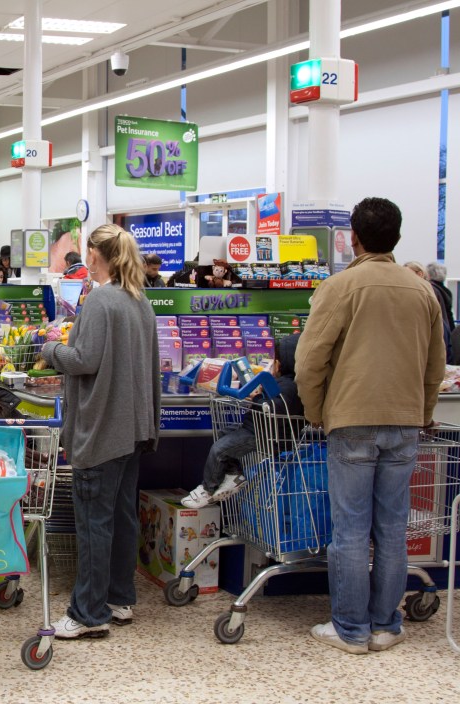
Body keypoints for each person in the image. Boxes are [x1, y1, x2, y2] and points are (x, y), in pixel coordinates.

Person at [295, 197, 445, 654]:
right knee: (393, 529)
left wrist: (316, 411)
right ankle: (386, 625)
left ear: (353, 238)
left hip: (352, 420)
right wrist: (422, 413)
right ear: (396, 237)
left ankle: (350, 629)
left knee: (352, 531)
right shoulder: (423, 292)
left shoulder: (342, 286)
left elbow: (308, 362)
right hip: (404, 423)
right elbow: (435, 367)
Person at [39, 224, 160, 639]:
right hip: (133, 428)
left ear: (94, 254)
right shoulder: (139, 300)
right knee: (122, 517)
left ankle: (88, 614)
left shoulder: (99, 301)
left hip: (102, 427)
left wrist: (51, 347)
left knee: (93, 523)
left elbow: (84, 359)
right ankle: (119, 598)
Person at [181, 334, 304, 508]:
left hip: (265, 435)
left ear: (281, 364)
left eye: (275, 360)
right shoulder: (282, 383)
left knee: (219, 450)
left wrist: (258, 398)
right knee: (223, 435)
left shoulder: (290, 387)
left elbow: (274, 409)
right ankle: (234, 475)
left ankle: (208, 489)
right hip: (256, 429)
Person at [426, 262, 455, 332]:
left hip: (438, 329)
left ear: (429, 275)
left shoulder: (430, 289)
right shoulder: (447, 291)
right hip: (448, 327)